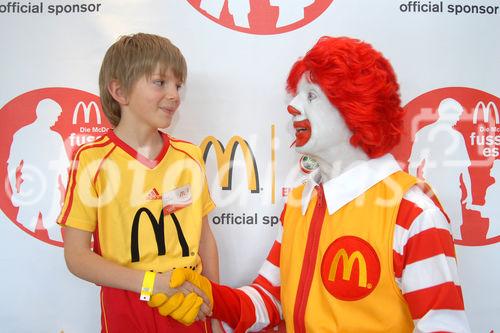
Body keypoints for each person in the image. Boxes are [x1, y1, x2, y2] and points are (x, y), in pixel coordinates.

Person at [150, 36, 471, 332]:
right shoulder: (301, 199)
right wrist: (210, 297)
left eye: (312, 96)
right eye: (297, 95)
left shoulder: (413, 215)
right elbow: (270, 299)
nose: (293, 107)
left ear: (356, 109)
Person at [58, 33, 220, 333]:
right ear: (120, 91)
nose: (174, 94)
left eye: (178, 85)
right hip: (128, 305)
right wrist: (152, 284)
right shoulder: (93, 160)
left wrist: (215, 305)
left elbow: (204, 238)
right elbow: (77, 256)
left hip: (189, 304)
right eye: (160, 82)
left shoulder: (189, 156)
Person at [408, 97, 473, 240]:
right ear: (447, 114)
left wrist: (469, 192)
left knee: (446, 234)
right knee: (438, 235)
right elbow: (413, 165)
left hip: (445, 193)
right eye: (457, 115)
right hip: (433, 194)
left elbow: (464, 169)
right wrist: (415, 191)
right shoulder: (429, 134)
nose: (458, 119)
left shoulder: (455, 136)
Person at [8, 98, 69, 242]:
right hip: (30, 193)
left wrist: (67, 197)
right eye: (55, 115)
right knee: (24, 235)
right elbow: (13, 165)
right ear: (44, 113)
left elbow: (63, 169)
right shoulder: (22, 134)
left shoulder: (56, 137)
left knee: (55, 235)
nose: (56, 119)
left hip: (51, 194)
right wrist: (15, 192)